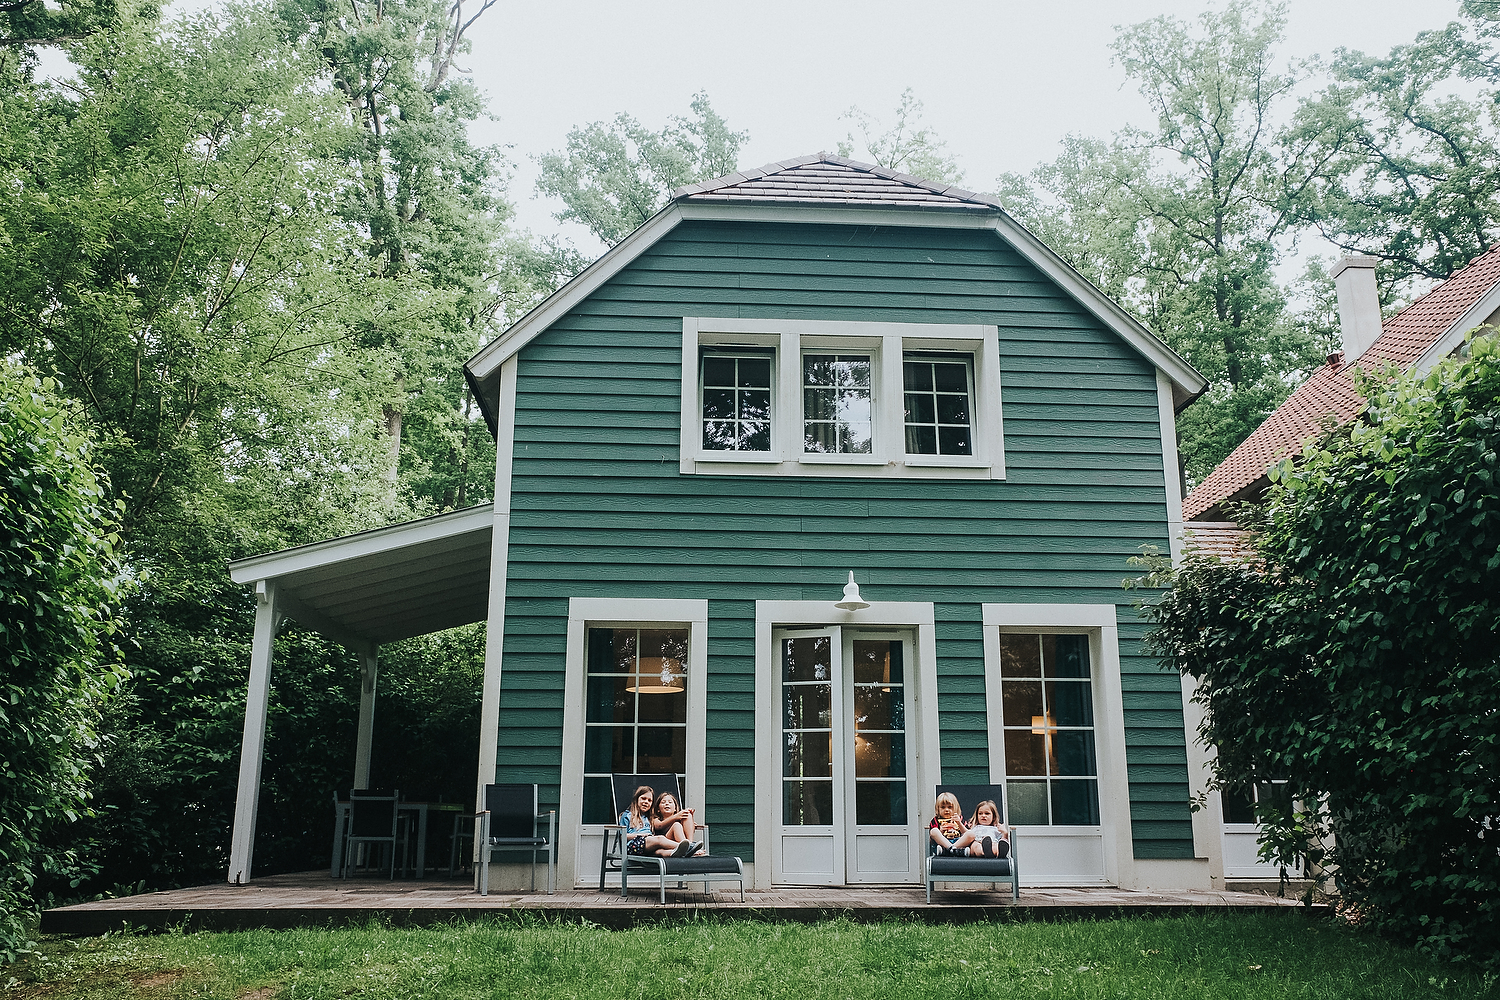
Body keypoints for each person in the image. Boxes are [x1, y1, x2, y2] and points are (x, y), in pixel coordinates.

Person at [650, 791, 703, 855]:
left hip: (681, 844)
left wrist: (691, 823)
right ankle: (690, 849)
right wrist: (676, 816)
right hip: (665, 844)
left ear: (675, 808)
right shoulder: (656, 820)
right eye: (663, 802)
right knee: (676, 825)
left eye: (670, 802)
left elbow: (688, 830)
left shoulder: (679, 820)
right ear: (658, 809)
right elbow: (659, 825)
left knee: (687, 815)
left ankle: (691, 846)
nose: (667, 804)